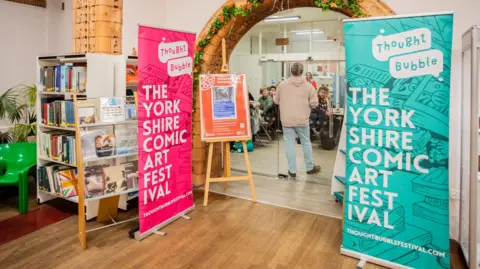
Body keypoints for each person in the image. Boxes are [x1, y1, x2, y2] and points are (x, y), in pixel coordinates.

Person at [274, 62, 321, 179]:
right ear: (302, 72)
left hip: (286, 119)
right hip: (302, 120)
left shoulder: (281, 85)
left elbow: (276, 101)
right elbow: (314, 103)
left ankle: (292, 170)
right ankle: (310, 167)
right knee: (306, 142)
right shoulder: (309, 86)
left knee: (289, 143)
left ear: (291, 71)